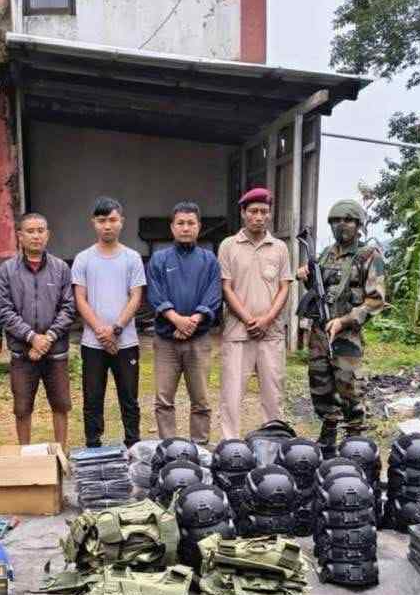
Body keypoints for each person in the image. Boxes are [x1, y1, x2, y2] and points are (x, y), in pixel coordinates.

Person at [299, 198, 387, 453]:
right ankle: (328, 433)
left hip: (347, 334)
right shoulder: (327, 254)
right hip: (320, 330)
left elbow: (375, 300)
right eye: (336, 221)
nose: (341, 225)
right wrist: (306, 277)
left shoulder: (368, 256)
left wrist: (344, 320)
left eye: (348, 220)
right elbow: (319, 289)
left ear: (359, 224)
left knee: (349, 386)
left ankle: (354, 440)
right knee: (320, 383)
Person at [0, 212, 75, 448]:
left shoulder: (61, 268)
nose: (36, 236)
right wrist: (31, 337)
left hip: (55, 351)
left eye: (40, 231)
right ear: (20, 235)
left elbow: (69, 308)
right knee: (22, 408)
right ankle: (25, 454)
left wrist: (48, 338)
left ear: (48, 235)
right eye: (30, 231)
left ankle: (60, 453)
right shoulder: (7, 270)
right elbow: (4, 310)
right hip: (22, 353)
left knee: (60, 405)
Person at [216, 187, 291, 440]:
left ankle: (274, 443)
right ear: (243, 213)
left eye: (264, 212)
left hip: (271, 333)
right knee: (231, 393)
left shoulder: (279, 247)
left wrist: (267, 320)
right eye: (253, 211)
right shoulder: (229, 245)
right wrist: (249, 320)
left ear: (269, 214)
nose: (259, 217)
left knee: (273, 393)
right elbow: (226, 287)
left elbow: (284, 287)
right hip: (238, 332)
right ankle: (230, 444)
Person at [71, 197, 146, 448]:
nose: (107, 226)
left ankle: (133, 446)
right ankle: (93, 445)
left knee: (129, 398)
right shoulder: (83, 259)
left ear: (121, 221)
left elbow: (136, 297)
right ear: (93, 223)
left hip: (126, 342)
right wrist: (102, 332)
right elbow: (80, 299)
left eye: (112, 220)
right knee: (92, 398)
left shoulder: (132, 258)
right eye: (102, 220)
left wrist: (116, 329)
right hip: (93, 343)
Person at [146, 201, 221, 444]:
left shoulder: (209, 260)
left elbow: (213, 294)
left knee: (201, 400)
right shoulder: (159, 259)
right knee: (164, 399)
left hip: (199, 340)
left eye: (191, 223)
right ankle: (169, 447)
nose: (185, 228)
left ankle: (200, 447)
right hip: (166, 341)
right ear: (172, 227)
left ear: (199, 227)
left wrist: (194, 320)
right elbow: (155, 294)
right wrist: (176, 320)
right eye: (180, 223)